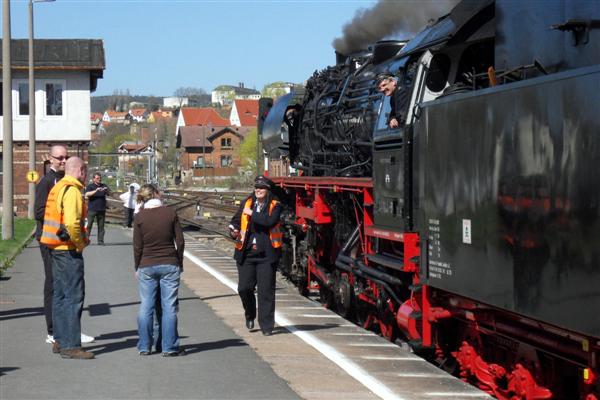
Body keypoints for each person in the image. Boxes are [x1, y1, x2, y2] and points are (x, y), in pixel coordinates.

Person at [34, 145, 94, 346]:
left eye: (65, 157)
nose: (63, 160)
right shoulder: (49, 182)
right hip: (58, 241)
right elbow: (40, 212)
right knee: (60, 288)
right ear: (50, 159)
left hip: (56, 240)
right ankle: (58, 333)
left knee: (61, 289)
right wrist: (78, 240)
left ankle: (63, 333)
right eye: (59, 157)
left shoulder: (60, 182)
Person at [133, 184, 185, 356]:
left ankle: (144, 346)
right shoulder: (170, 212)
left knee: (146, 305)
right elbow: (180, 240)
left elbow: (137, 246)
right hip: (169, 263)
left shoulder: (139, 216)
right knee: (169, 306)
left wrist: (137, 266)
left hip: (146, 265)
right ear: (156, 194)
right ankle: (169, 347)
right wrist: (179, 261)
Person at [229, 175, 283, 336]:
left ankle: (267, 326)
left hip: (267, 254)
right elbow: (236, 221)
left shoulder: (276, 205)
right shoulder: (247, 203)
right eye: (256, 187)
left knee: (266, 291)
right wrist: (233, 231)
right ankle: (250, 313)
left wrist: (252, 213)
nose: (258, 190)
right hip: (246, 253)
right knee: (244, 288)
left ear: (268, 190)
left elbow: (269, 222)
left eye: (262, 187)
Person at [85, 172, 111, 245]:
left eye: (100, 178)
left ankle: (100, 241)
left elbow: (110, 193)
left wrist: (107, 189)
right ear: (93, 179)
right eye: (97, 178)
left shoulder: (104, 185)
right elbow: (87, 194)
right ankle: (86, 240)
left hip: (101, 209)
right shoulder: (90, 186)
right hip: (92, 209)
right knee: (89, 225)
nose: (99, 179)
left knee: (101, 226)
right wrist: (96, 190)